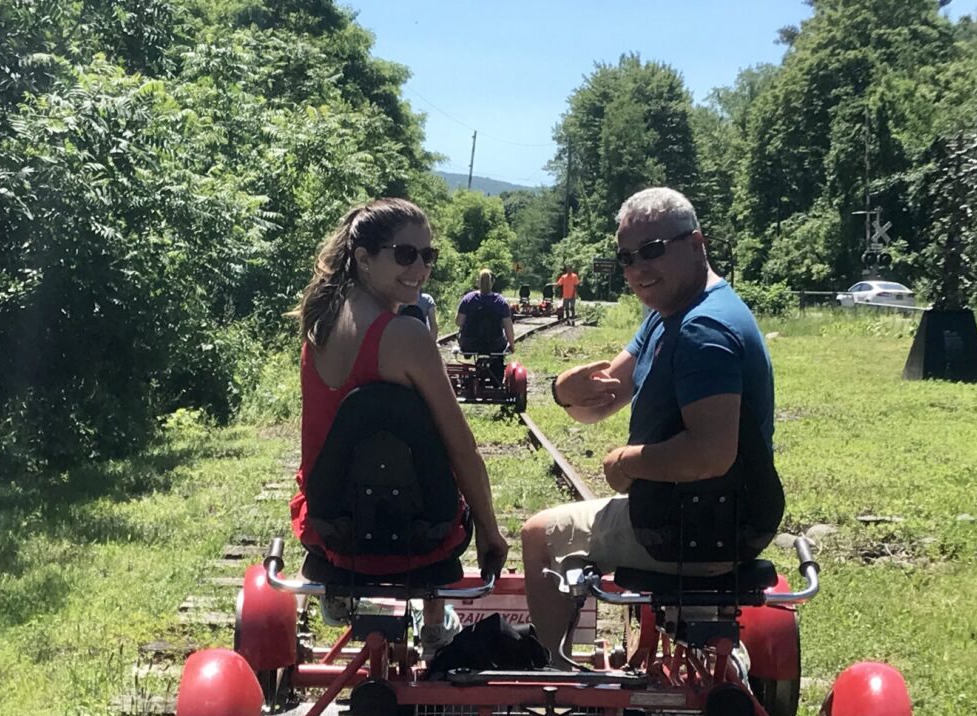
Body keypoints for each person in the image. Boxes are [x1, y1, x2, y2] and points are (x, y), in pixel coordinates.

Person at [520, 187, 783, 656]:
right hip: (729, 523)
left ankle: (556, 683)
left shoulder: (703, 330)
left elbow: (711, 453)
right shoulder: (670, 315)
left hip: (682, 528)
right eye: (627, 257)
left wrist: (627, 461)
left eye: (652, 251)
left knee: (537, 534)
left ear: (697, 242)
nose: (638, 268)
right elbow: (599, 401)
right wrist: (564, 391)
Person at [290, 198, 508, 654]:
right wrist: (490, 530)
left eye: (428, 256)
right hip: (422, 538)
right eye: (405, 254)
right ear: (364, 258)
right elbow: (460, 447)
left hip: (336, 531)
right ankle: (435, 624)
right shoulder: (406, 335)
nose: (420, 268)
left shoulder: (319, 327)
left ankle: (346, 596)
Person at [456, 269, 515, 357]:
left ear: (477, 282)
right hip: (495, 345)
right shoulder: (501, 301)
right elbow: (508, 328)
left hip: (469, 344)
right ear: (493, 282)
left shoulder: (467, 299)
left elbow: (459, 322)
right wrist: (512, 346)